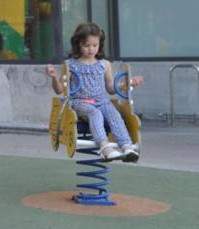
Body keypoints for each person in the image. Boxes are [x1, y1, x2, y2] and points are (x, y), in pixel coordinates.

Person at [45, 22, 145, 163]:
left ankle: (127, 146)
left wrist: (128, 83)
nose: (91, 49)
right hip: (80, 102)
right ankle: (104, 148)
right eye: (87, 45)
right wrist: (55, 77)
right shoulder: (70, 65)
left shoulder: (104, 65)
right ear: (78, 44)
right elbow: (60, 89)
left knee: (114, 115)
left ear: (100, 45)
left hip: (102, 101)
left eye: (95, 45)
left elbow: (111, 88)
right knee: (95, 113)